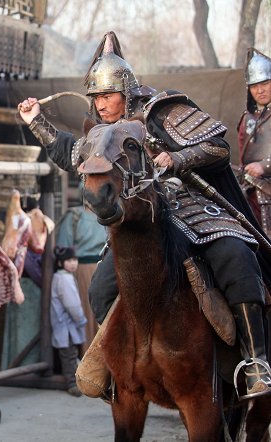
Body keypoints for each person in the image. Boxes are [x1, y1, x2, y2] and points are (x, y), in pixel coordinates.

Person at [18, 31, 271, 400]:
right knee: (101, 290)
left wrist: (177, 158)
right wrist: (36, 121)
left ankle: (255, 363)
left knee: (235, 257)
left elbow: (218, 146)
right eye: (96, 97)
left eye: (107, 95)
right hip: (145, 220)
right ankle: (117, 366)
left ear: (125, 87)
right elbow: (74, 158)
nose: (101, 105)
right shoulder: (104, 130)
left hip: (195, 207)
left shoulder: (163, 109)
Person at [55, 197, 107, 354]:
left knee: (84, 312)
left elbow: (62, 247)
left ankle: (88, 356)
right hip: (106, 268)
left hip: (82, 270)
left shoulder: (74, 216)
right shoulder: (111, 215)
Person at [237, 48, 271, 237]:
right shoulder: (247, 117)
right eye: (254, 85)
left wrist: (264, 166)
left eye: (265, 83)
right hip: (250, 194)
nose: (260, 90)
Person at [50, 246, 87, 397]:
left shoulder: (61, 277)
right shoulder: (64, 279)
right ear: (60, 263)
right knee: (70, 355)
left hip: (64, 325)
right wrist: (81, 319)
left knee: (69, 354)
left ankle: (74, 381)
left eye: (74, 259)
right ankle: (72, 384)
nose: (73, 263)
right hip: (67, 325)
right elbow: (72, 305)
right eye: (68, 260)